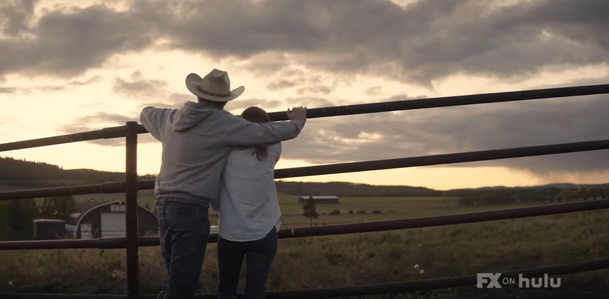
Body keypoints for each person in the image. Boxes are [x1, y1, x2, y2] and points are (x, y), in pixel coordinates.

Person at [139, 68, 307, 299]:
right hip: (191, 209)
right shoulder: (223, 124)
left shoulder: (172, 118)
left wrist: (170, 122)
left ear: (198, 94)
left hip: (163, 205)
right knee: (182, 287)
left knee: (175, 280)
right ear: (224, 102)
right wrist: (297, 123)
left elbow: (146, 112)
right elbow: (264, 133)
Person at [216, 106, 287, 299]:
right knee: (255, 293)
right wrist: (296, 119)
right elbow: (277, 131)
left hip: (231, 233)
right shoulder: (274, 147)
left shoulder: (225, 150)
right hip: (264, 232)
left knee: (226, 292)